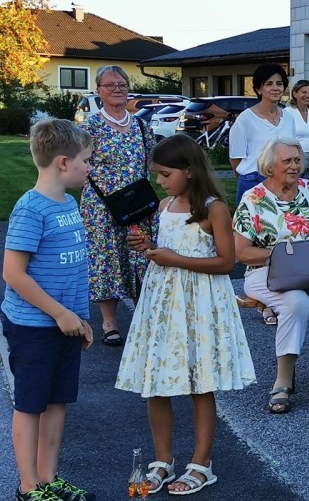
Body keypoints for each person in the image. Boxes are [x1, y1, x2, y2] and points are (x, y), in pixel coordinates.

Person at [116, 135, 255, 496]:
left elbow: (226, 262)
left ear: (189, 171)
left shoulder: (213, 208)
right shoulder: (165, 206)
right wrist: (149, 248)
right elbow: (169, 249)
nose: (159, 181)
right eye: (158, 174)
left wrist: (173, 258)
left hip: (199, 303)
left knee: (199, 381)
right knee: (157, 381)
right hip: (164, 302)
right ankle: (163, 459)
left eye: (165, 174)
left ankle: (201, 463)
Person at [3, 119, 96, 501]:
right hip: (34, 327)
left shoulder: (69, 204)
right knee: (31, 404)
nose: (90, 167)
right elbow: (13, 273)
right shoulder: (31, 209)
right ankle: (28, 487)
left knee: (57, 402)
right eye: (86, 161)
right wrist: (59, 313)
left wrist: (79, 318)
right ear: (63, 162)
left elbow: (71, 271)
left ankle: (48, 478)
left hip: (66, 325)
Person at [234, 138, 309, 414]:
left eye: (297, 160)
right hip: (267, 271)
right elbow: (241, 252)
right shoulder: (253, 199)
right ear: (269, 166)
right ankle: (283, 382)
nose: (294, 166)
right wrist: (283, 255)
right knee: (296, 302)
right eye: (287, 161)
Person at [79, 65, 156, 347]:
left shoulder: (141, 126)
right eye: (110, 85)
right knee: (106, 260)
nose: (117, 89)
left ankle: (144, 318)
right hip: (101, 207)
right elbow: (78, 165)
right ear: (99, 90)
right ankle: (109, 322)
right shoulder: (88, 128)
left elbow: (151, 162)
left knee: (141, 257)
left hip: (138, 204)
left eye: (122, 84)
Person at [229, 63, 296, 203]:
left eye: (279, 84)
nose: (275, 88)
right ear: (259, 89)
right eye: (269, 84)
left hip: (284, 182)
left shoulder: (289, 118)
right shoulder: (245, 119)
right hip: (253, 182)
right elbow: (235, 159)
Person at [285, 80, 309, 181]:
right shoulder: (287, 112)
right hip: (295, 159)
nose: (307, 95)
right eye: (304, 92)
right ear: (295, 94)